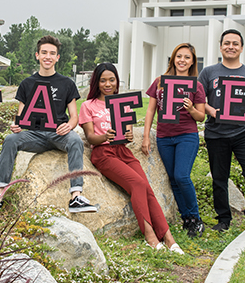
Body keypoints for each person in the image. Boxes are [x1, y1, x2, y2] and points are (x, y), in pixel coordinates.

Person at [0, 35, 97, 213]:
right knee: (11, 139)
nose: (48, 56)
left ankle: (76, 196)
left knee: (76, 141)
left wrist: (69, 126)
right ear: (37, 55)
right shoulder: (27, 84)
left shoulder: (67, 83)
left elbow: (73, 116)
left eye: (52, 53)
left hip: (59, 133)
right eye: (44, 52)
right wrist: (17, 126)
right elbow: (21, 116)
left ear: (58, 57)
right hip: (35, 135)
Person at [79, 63, 184, 253]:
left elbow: (127, 134)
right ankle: (150, 236)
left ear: (117, 81)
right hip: (103, 153)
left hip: (123, 152)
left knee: (147, 189)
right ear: (96, 82)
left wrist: (128, 136)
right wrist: (105, 137)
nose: (108, 84)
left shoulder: (122, 103)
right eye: (103, 80)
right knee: (137, 183)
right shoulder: (89, 106)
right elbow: (91, 137)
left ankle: (169, 239)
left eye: (112, 80)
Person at [198, 29, 245, 231]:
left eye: (235, 43)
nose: (231, 47)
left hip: (243, 132)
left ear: (241, 48)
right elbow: (199, 99)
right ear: (221, 47)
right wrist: (212, 111)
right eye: (227, 43)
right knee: (219, 177)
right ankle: (223, 219)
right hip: (216, 132)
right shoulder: (209, 72)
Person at [142, 43, 206, 238]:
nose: (182, 60)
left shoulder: (196, 85)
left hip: (187, 135)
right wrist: (146, 136)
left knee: (182, 176)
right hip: (163, 137)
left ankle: (196, 218)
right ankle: (186, 218)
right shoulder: (160, 82)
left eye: (187, 57)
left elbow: (201, 116)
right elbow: (151, 110)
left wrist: (191, 109)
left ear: (192, 62)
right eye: (179, 56)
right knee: (173, 180)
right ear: (173, 58)